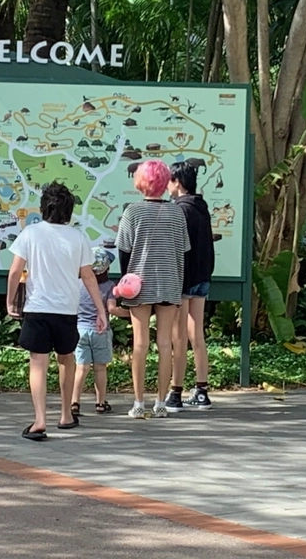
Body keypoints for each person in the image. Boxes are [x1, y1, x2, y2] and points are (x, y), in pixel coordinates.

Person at [6, 181, 108, 442]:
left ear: (43, 208)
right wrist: (100, 310)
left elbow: (15, 271)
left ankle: (40, 419)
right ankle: (65, 414)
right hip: (67, 310)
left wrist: (9, 301)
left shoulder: (30, 233)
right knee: (67, 359)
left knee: (38, 363)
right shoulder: (79, 237)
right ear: (69, 211)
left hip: (38, 307)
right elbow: (88, 276)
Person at [116, 160, 190, 419]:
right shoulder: (177, 213)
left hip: (139, 284)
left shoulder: (132, 212)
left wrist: (127, 279)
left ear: (140, 182)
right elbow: (183, 251)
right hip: (169, 282)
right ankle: (161, 402)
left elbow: (123, 252)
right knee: (165, 344)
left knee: (140, 344)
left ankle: (138, 403)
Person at [165, 162, 216, 412]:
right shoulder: (201, 207)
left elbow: (178, 250)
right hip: (202, 278)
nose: (167, 186)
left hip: (183, 281)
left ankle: (175, 393)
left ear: (177, 182)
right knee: (197, 335)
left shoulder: (180, 210)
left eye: (169, 180)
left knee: (179, 337)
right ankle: (201, 390)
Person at [71, 247, 129, 416]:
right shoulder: (109, 286)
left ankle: (75, 402)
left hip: (80, 330)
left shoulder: (78, 284)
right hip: (101, 332)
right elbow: (112, 309)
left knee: (81, 368)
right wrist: (131, 314)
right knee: (100, 368)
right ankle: (100, 403)